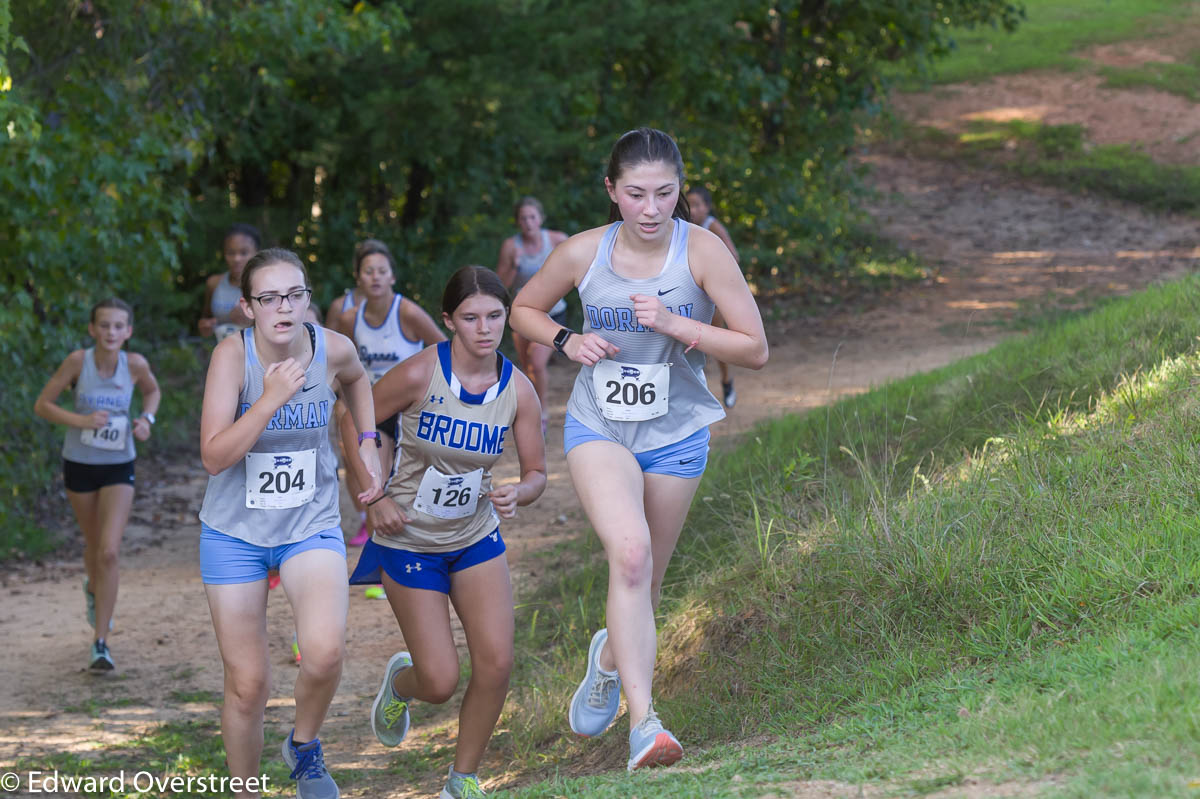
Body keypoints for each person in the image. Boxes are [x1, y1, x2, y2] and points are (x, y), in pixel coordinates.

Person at [510, 127, 768, 771]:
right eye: (635, 194)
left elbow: (755, 347)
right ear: (611, 192)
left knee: (646, 582)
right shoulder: (582, 253)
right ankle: (644, 723)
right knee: (628, 553)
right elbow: (522, 310)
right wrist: (568, 341)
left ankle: (606, 657)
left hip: (677, 432)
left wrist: (679, 323)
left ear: (679, 192)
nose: (651, 209)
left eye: (664, 193)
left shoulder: (702, 251)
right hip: (602, 425)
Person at [341, 265, 546, 799]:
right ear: (449, 321)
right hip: (408, 538)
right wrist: (374, 496)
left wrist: (519, 492)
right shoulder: (419, 374)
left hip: (475, 536)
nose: (485, 328)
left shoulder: (519, 390)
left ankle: (462, 780)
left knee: (498, 663)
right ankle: (400, 684)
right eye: (472, 318)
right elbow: (353, 417)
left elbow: (537, 473)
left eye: (496, 316)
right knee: (439, 681)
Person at [198, 248, 382, 799]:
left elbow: (359, 381)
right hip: (234, 534)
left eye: (295, 294)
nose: (284, 306)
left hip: (310, 523)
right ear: (248, 307)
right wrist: (269, 400)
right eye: (269, 297)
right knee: (249, 684)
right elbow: (213, 456)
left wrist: (368, 443)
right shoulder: (233, 358)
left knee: (325, 653)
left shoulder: (332, 347)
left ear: (308, 297)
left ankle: (303, 747)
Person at [35, 298, 161, 672]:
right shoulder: (78, 362)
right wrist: (81, 420)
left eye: (118, 326)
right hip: (79, 464)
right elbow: (44, 404)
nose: (111, 332)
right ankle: (94, 590)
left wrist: (146, 419)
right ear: (92, 329)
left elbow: (152, 392)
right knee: (93, 547)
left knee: (108, 551)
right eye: (104, 325)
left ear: (128, 332)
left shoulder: (134, 365)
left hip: (118, 465)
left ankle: (100, 642)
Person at [337, 239, 445, 549]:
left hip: (413, 411)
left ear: (392, 277)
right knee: (376, 483)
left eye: (381, 271)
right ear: (358, 277)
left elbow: (444, 349)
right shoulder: (349, 319)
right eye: (368, 271)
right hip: (374, 413)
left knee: (415, 484)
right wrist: (342, 404)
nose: (375, 277)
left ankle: (425, 546)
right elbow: (344, 367)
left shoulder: (408, 313)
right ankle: (381, 557)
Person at [495, 197, 569, 429]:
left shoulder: (557, 240)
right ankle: (529, 410)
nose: (528, 222)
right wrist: (514, 265)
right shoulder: (511, 246)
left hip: (553, 313)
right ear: (518, 222)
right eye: (523, 218)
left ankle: (543, 413)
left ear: (540, 219)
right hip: (523, 313)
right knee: (527, 367)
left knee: (537, 363)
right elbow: (499, 284)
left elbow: (577, 270)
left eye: (532, 217)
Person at [685, 187, 741, 408]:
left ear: (707, 207)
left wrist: (714, 280)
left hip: (710, 296)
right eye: (690, 204)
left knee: (716, 343)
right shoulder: (683, 228)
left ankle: (727, 380)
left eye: (698, 205)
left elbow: (734, 257)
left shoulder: (712, 226)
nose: (693, 210)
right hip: (688, 293)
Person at [199, 224, 261, 342]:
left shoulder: (267, 285)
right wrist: (205, 326)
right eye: (231, 253)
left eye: (244, 253)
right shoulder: (214, 283)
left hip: (258, 356)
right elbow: (206, 319)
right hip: (222, 354)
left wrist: (252, 320)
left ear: (256, 253)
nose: (237, 258)